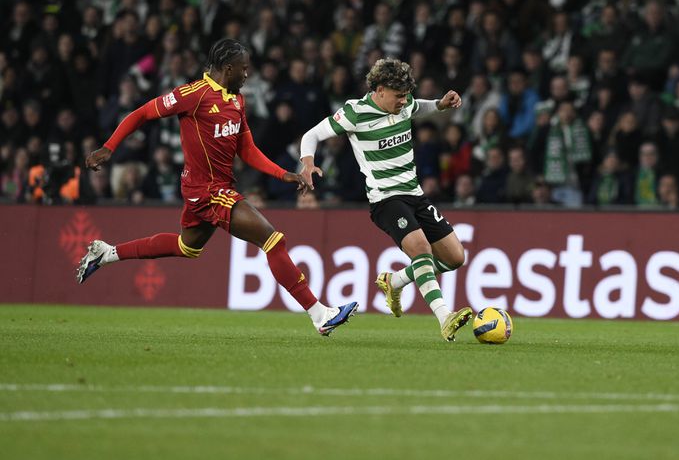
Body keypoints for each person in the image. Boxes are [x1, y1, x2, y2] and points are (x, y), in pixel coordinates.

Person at [76, 39, 358, 336]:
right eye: (244, 69)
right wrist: (109, 147)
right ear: (228, 68)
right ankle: (319, 314)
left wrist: (282, 174)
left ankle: (106, 253)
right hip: (206, 190)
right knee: (273, 240)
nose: (247, 74)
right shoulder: (194, 94)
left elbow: (246, 148)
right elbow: (142, 113)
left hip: (216, 187)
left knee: (187, 246)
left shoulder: (237, 100)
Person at [298, 58, 473, 341]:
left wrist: (440, 103)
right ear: (379, 90)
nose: (404, 101)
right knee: (421, 248)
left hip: (414, 194)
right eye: (398, 96)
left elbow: (420, 107)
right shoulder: (355, 112)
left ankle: (395, 281)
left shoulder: (404, 105)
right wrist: (307, 164)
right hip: (385, 199)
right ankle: (445, 317)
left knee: (455, 257)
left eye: (406, 95)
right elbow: (312, 135)